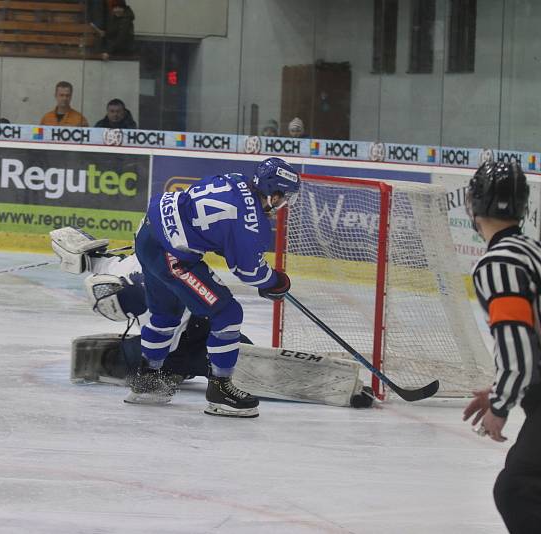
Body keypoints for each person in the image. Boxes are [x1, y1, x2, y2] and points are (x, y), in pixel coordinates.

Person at [49, 228, 373, 409]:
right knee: (238, 362)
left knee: (233, 360)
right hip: (199, 326)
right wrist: (85, 254)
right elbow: (100, 260)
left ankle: (339, 388)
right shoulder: (128, 265)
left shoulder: (148, 309)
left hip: (192, 333)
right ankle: (341, 389)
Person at [126, 157, 300, 418]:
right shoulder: (253, 223)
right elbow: (249, 272)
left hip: (147, 236)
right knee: (228, 314)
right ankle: (221, 391)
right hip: (173, 256)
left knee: (166, 314)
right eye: (285, 197)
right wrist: (276, 282)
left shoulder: (235, 179)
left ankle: (147, 382)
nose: (284, 204)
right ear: (273, 195)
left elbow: (208, 218)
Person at [462, 161, 541, 533]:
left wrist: (501, 404)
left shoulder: (499, 263)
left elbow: (519, 345)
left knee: (518, 490)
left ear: (473, 206)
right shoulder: (531, 249)